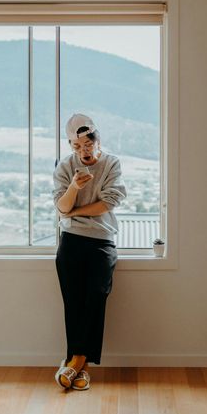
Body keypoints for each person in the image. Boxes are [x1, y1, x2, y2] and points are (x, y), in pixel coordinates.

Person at [52, 113, 126, 391]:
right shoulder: (65, 167)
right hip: (70, 240)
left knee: (96, 296)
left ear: (97, 141)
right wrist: (73, 187)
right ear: (71, 145)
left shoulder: (111, 163)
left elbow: (108, 203)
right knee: (74, 303)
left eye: (87, 145)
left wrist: (76, 211)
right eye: (76, 146)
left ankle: (75, 361)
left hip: (102, 240)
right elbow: (61, 207)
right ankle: (80, 370)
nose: (83, 151)